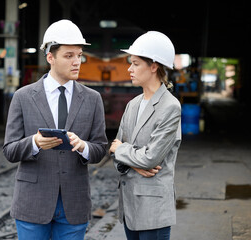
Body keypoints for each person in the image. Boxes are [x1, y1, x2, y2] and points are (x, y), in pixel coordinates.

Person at [3, 19, 108, 240]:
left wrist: (83, 147)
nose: (77, 62)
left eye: (79, 55)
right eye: (69, 56)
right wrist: (34, 143)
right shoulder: (23, 97)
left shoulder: (92, 99)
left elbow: (100, 149)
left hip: (74, 204)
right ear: (50, 57)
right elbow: (10, 150)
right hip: (32, 202)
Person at [109, 31, 182, 240]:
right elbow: (114, 155)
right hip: (129, 205)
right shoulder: (132, 104)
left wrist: (120, 150)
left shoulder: (170, 107)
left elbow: (151, 158)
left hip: (153, 208)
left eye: (135, 63)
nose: (129, 69)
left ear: (153, 66)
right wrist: (132, 162)